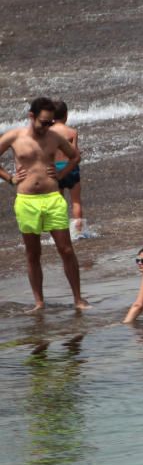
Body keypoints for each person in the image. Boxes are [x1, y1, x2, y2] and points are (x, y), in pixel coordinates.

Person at [0, 97, 88, 312]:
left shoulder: (55, 137)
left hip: (52, 198)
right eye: (44, 122)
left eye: (50, 122)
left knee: (66, 249)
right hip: (27, 201)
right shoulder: (14, 136)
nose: (47, 126)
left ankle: (78, 299)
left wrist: (61, 173)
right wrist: (10, 178)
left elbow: (75, 157)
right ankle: (39, 302)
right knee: (33, 253)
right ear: (31, 116)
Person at [51, 100, 85, 237]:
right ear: (66, 115)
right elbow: (74, 153)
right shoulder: (72, 132)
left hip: (55, 169)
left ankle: (61, 232)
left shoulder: (48, 133)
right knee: (76, 201)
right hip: (71, 168)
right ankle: (78, 231)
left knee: (59, 202)